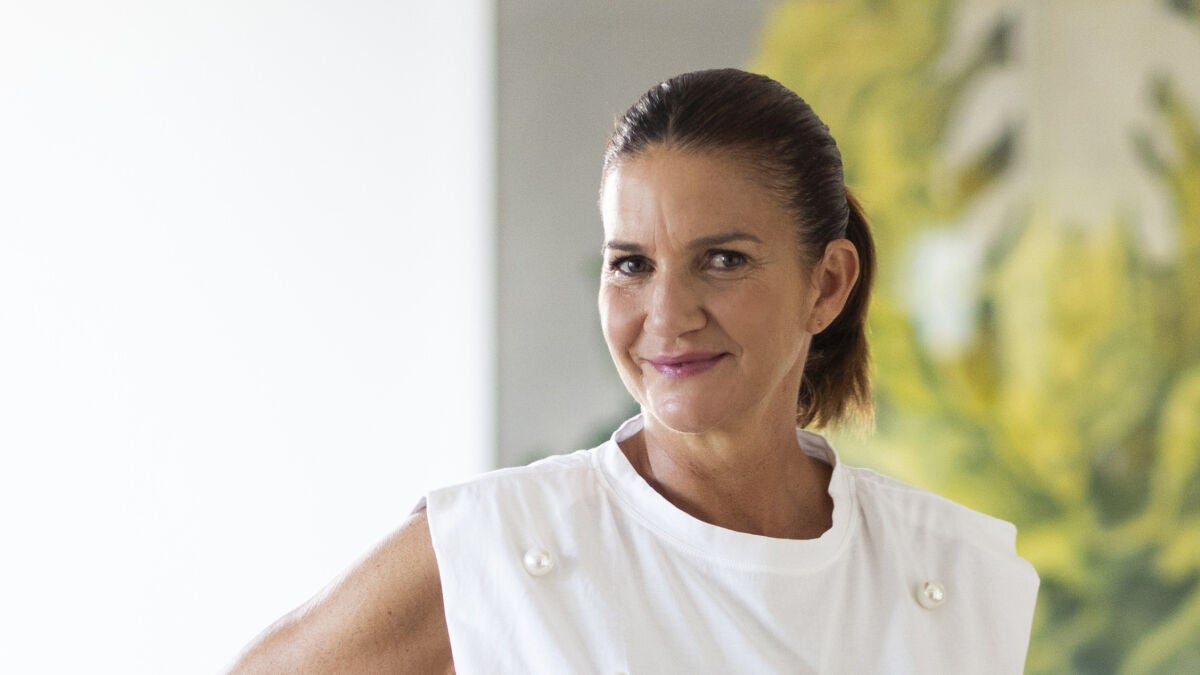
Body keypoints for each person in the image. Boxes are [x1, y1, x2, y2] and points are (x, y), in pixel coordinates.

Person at [228, 68, 1038, 673]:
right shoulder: (503, 548)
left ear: (826, 284)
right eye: (631, 264)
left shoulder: (953, 574)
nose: (667, 314)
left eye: (723, 259)